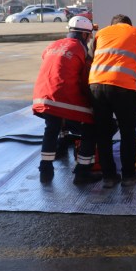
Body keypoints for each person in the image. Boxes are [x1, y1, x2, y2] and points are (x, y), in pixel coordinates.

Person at [32, 16, 98, 185]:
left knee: (52, 125)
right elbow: (84, 81)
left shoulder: (52, 45)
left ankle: (45, 168)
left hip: (42, 96)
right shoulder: (82, 50)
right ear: (84, 35)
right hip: (62, 97)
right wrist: (94, 102)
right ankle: (82, 171)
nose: (89, 39)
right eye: (89, 36)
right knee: (92, 126)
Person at [89, 14, 136, 188]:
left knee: (103, 134)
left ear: (113, 25)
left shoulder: (100, 34)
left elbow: (89, 61)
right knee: (128, 133)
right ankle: (129, 176)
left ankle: (109, 176)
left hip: (96, 87)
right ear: (129, 25)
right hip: (124, 88)